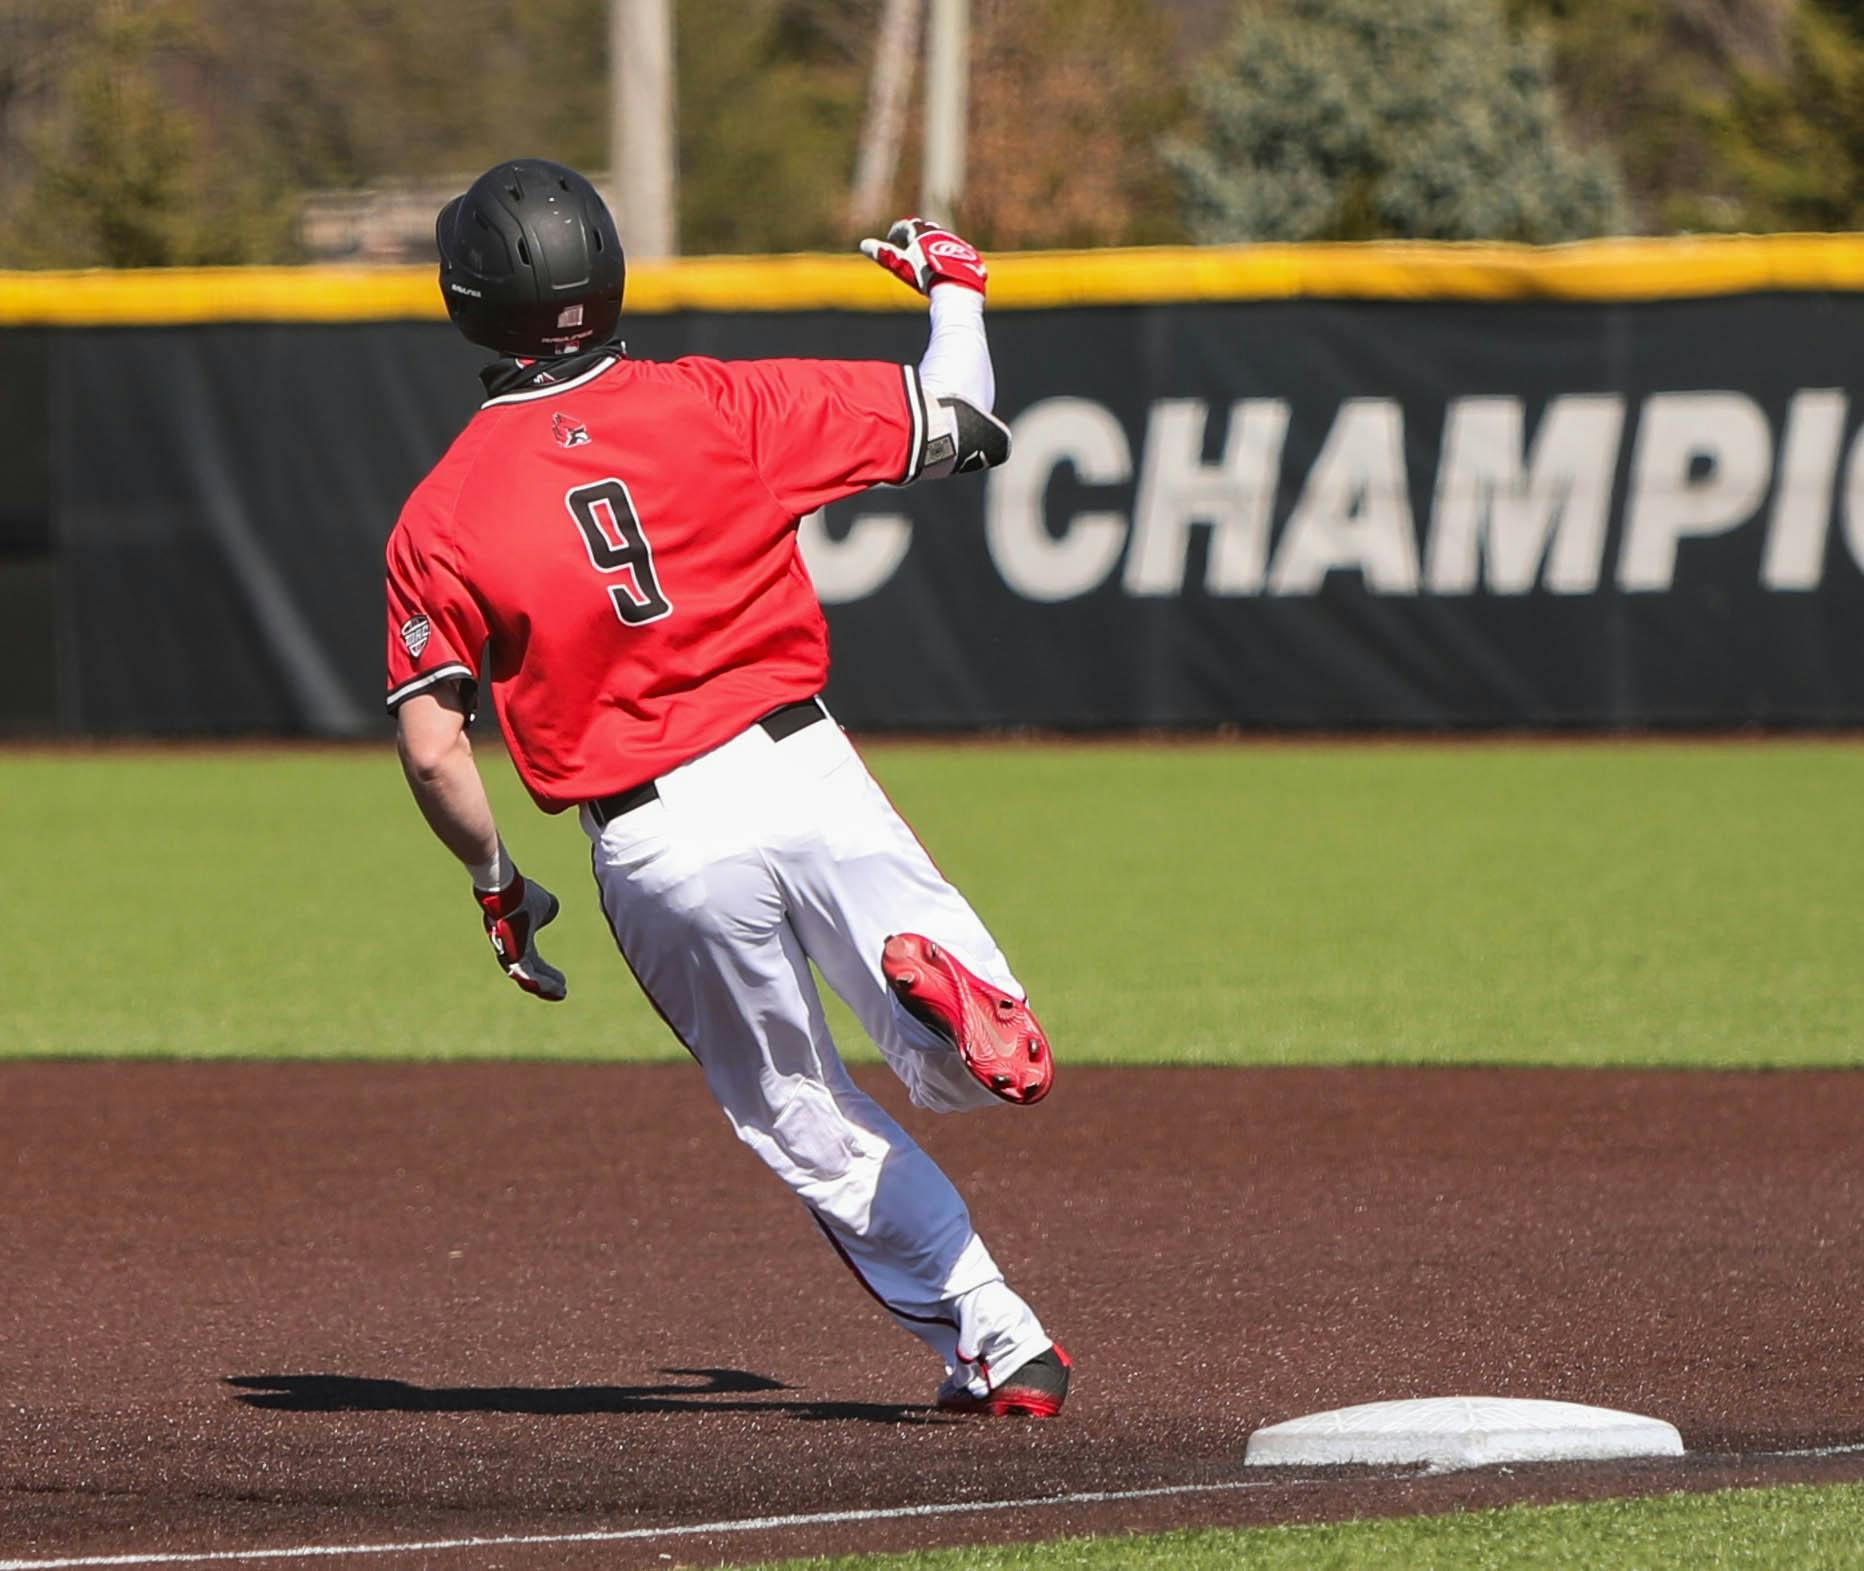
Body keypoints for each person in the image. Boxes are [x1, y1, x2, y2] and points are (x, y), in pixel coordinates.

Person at [384, 158, 1069, 1417]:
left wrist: (497, 885)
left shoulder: (438, 516)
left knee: (796, 1102)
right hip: (799, 763)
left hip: (654, 838)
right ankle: (948, 1005)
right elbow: (964, 426)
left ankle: (993, 1329)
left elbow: (435, 749)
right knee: (963, 1053)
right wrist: (955, 293)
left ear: (467, 303)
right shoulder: (718, 399)